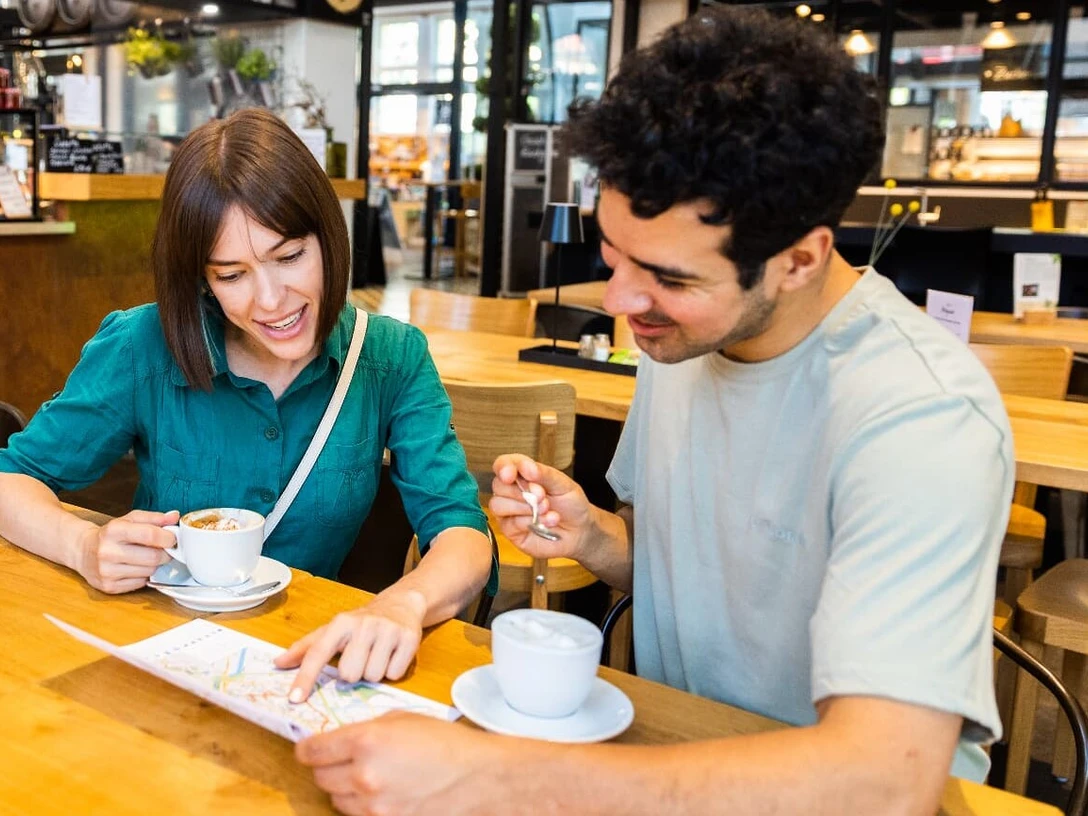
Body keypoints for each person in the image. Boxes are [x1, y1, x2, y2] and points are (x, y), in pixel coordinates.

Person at [293, 7, 1013, 814]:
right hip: (661, 751)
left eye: (668, 277)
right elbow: (709, 579)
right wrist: (598, 537)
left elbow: (886, 782)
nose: (621, 301)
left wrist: (496, 777)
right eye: (611, 254)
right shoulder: (681, 343)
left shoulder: (921, 417)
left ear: (800, 259)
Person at [0, 109, 493, 693]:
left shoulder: (390, 358)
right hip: (156, 653)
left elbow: (462, 532)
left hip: (304, 668)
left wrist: (403, 604)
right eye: (232, 275)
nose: (271, 301)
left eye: (289, 257)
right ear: (202, 279)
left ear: (328, 237)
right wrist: (83, 546)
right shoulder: (142, 345)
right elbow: (13, 478)